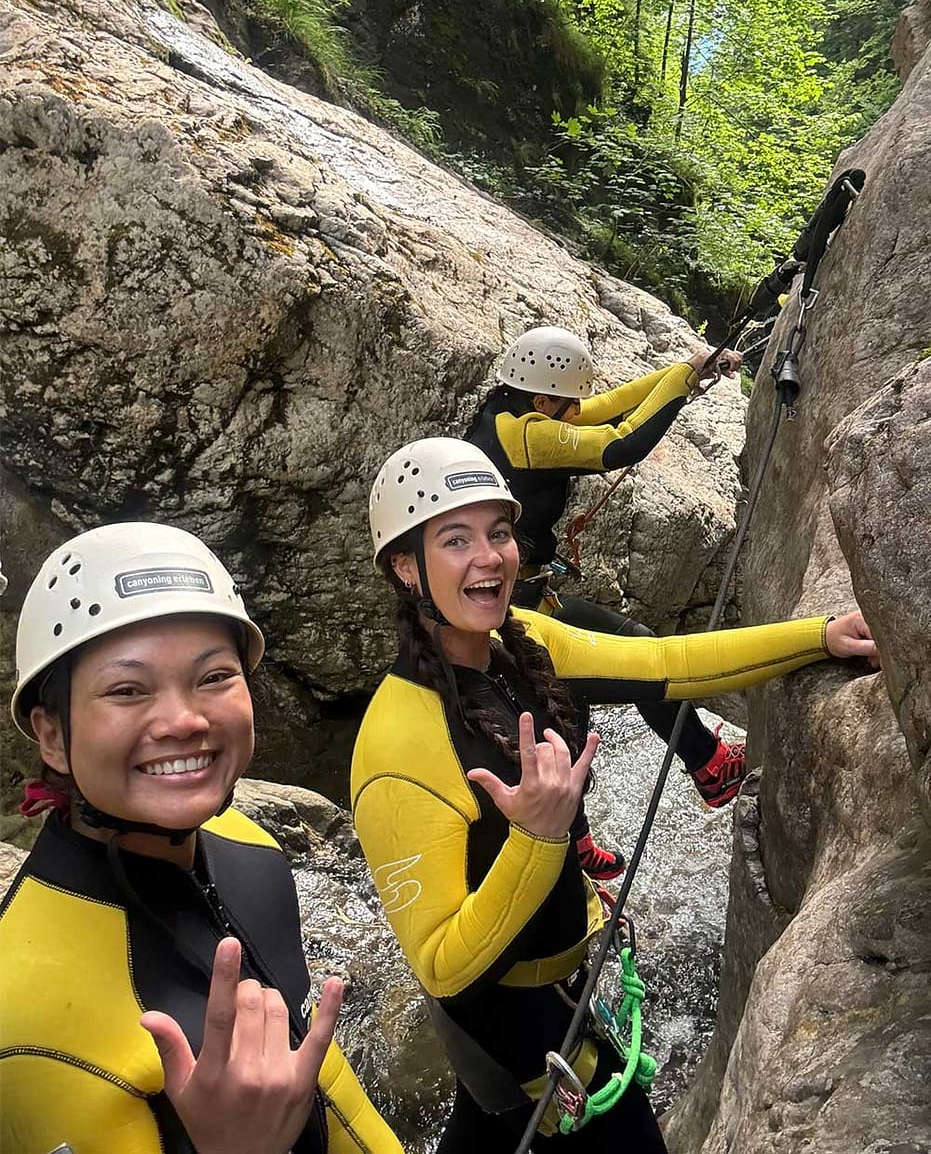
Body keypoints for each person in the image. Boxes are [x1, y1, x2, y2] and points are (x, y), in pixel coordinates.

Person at [352, 437, 878, 1152]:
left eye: (498, 533)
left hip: (558, 996)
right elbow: (444, 968)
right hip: (516, 1030)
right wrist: (539, 838)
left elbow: (664, 664)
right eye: (455, 540)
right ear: (405, 567)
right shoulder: (395, 747)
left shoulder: (521, 640)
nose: (489, 558)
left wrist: (818, 635)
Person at [0, 522, 404, 1154]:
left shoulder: (251, 851)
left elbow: (332, 1095)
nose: (186, 721)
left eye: (214, 677)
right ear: (52, 735)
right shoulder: (24, 1014)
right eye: (127, 690)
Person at [466, 325, 747, 877]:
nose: (574, 412)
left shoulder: (506, 413)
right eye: (565, 405)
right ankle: (709, 766)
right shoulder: (527, 434)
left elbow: (602, 408)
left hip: (520, 600)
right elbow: (619, 442)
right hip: (515, 610)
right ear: (543, 399)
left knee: (565, 709)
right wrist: (681, 384)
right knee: (638, 657)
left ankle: (574, 841)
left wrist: (685, 372)